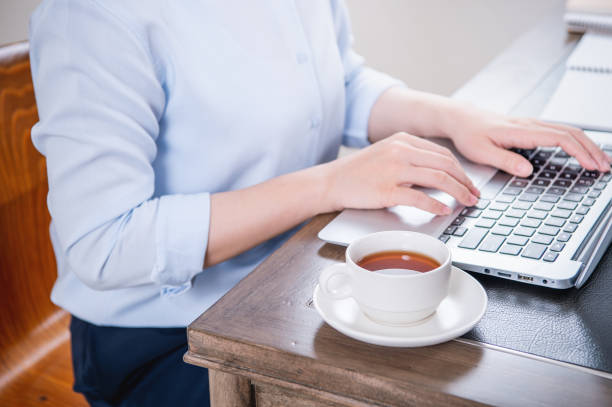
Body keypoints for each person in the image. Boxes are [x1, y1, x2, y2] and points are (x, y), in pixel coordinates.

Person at [28, 0, 610, 406]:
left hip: (288, 285)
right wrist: (328, 184)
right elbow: (102, 245)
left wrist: (455, 119)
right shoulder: (93, 14)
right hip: (164, 338)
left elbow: (341, 81)